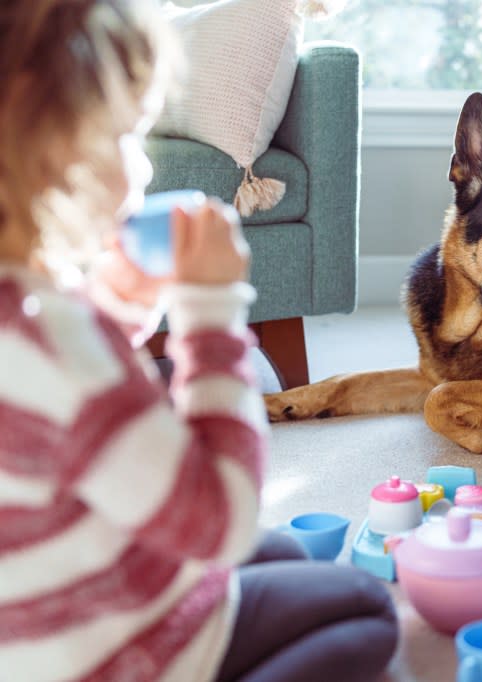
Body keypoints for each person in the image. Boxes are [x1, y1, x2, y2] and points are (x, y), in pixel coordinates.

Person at [0, 2, 398, 680]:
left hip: (50, 628)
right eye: (127, 136)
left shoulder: (33, 315)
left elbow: (70, 412)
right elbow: (224, 523)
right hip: (124, 653)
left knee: (290, 561)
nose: (146, 170)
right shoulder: (63, 348)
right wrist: (211, 312)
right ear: (52, 138)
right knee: (364, 605)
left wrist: (122, 301)